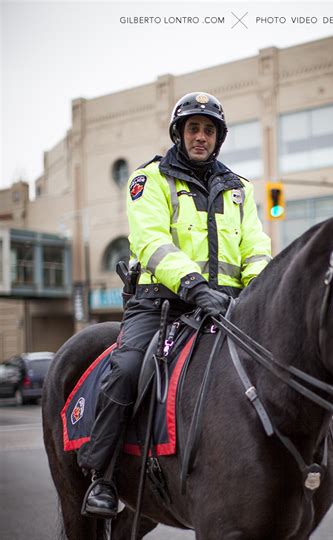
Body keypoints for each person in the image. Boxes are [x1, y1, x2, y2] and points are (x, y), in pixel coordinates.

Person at [78, 91, 272, 518]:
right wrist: (194, 285)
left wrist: (260, 292)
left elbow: (256, 248)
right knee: (128, 368)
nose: (200, 137)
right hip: (161, 304)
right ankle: (102, 477)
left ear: (218, 138)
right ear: (179, 134)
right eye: (193, 129)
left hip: (227, 306)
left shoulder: (240, 189)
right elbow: (151, 241)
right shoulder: (151, 180)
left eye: (208, 130)